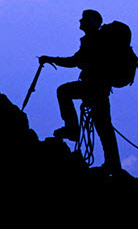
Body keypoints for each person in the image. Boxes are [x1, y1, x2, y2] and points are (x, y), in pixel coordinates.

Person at [39, 9, 122, 173]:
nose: (80, 21)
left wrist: (51, 59)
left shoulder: (93, 41)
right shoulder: (97, 40)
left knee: (64, 92)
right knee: (104, 126)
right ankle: (113, 164)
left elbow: (75, 61)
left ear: (91, 22)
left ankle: (72, 129)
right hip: (99, 89)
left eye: (84, 19)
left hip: (94, 88)